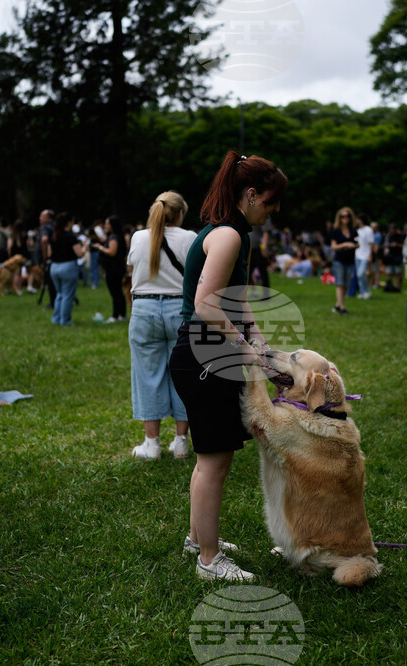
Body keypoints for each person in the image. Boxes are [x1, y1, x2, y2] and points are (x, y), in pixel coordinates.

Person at [170, 151, 287, 581]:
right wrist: (245, 348)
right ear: (252, 195)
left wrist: (257, 339)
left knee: (212, 458)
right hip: (203, 355)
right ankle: (208, 560)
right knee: (213, 461)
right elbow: (205, 305)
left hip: (212, 352)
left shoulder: (237, 232)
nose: (274, 212)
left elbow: (235, 299)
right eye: (272, 202)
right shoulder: (228, 236)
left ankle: (196, 538)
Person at [127, 191, 197, 460]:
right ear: (179, 214)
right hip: (180, 309)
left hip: (144, 309)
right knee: (183, 376)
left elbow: (134, 270)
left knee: (147, 374)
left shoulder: (138, 237)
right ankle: (181, 442)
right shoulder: (190, 237)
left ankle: (151, 444)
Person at [49, 212, 86, 325]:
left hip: (54, 267)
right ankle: (65, 320)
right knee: (68, 295)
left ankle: (56, 318)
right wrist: (85, 246)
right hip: (68, 267)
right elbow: (79, 253)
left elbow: (49, 253)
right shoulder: (70, 237)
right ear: (69, 222)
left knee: (59, 294)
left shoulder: (54, 236)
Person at [92, 216, 127, 323]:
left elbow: (112, 252)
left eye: (107, 224)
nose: (105, 226)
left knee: (115, 292)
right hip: (118, 267)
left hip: (113, 268)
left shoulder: (113, 237)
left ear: (112, 225)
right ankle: (122, 315)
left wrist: (100, 247)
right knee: (118, 292)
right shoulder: (117, 236)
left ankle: (115, 316)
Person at [330, 207, 357, 314]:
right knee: (340, 283)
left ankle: (338, 304)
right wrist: (345, 244)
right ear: (339, 218)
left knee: (346, 284)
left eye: (347, 216)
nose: (345, 218)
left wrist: (355, 245)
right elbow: (333, 247)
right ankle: (342, 307)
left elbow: (357, 243)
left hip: (350, 260)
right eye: (343, 216)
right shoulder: (336, 231)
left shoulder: (353, 230)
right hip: (339, 260)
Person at [354, 213, 375, 299]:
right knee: (359, 275)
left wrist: (370, 255)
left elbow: (371, 243)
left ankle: (367, 291)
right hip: (357, 254)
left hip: (365, 255)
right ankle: (362, 292)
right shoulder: (358, 230)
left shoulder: (368, 230)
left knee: (361, 274)